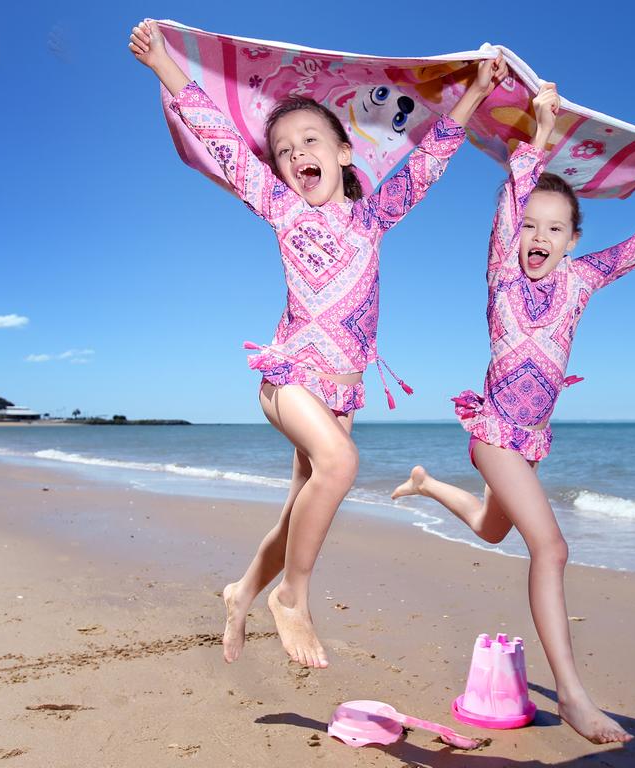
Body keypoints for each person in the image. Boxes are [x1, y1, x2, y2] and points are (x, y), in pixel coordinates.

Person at [130, 19, 506, 669]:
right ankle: (294, 601)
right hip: (289, 376)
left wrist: (472, 93)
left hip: (342, 387)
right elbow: (220, 138)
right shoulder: (279, 205)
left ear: (343, 153)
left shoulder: (379, 213)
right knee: (339, 465)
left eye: (310, 140)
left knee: (302, 502)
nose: (296, 152)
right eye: (282, 149)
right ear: (276, 169)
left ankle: (243, 589)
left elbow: (435, 155)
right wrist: (164, 64)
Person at [393, 81, 635, 743]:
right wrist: (540, 134)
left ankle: (425, 483)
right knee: (551, 548)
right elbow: (513, 198)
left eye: (555, 228)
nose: (538, 236)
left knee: (495, 531)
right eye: (530, 225)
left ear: (574, 240)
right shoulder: (503, 276)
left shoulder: (582, 281)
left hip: (528, 443)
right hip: (492, 433)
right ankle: (575, 699)